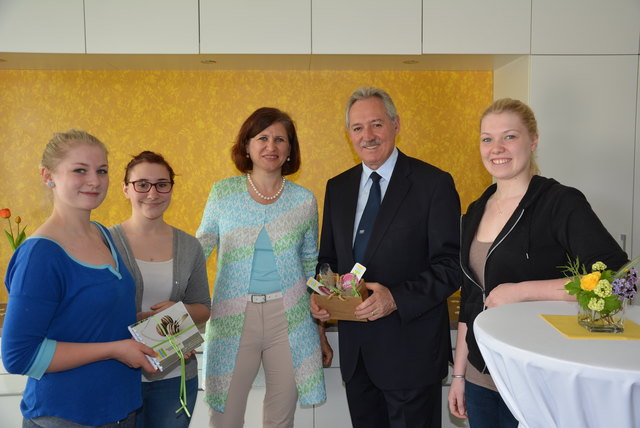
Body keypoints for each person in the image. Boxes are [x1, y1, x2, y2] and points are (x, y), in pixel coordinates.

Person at [447, 98, 628, 427]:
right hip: (480, 376)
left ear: (534, 140)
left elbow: (618, 280)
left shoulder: (560, 203)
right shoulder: (475, 210)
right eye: (487, 138)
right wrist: (458, 374)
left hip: (537, 374)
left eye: (510, 136)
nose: (496, 148)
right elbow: (472, 298)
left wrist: (523, 291)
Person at [311, 87, 462, 428]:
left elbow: (451, 266)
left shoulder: (433, 183)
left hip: (412, 352)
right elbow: (329, 262)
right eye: (358, 128)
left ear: (396, 124)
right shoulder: (338, 187)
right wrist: (322, 298)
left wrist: (395, 298)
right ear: (349, 134)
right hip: (358, 355)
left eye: (376, 124)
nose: (368, 136)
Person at [1, 129, 157, 427]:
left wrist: (159, 335)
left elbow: (89, 320)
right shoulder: (41, 254)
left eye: (102, 171)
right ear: (48, 176)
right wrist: (114, 349)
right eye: (79, 170)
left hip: (121, 408)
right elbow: (20, 356)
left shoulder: (102, 234)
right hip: (68, 414)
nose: (95, 181)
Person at [196, 107, 329, 428]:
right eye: (263, 137)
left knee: (281, 417)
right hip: (231, 317)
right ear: (247, 145)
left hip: (292, 320)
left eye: (280, 139)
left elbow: (312, 265)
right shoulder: (223, 193)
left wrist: (320, 330)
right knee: (224, 414)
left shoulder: (304, 200)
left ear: (290, 150)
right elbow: (198, 252)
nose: (271, 146)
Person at [109, 151, 211, 428]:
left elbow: (203, 307)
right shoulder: (104, 244)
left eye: (161, 184)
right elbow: (91, 311)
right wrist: (137, 317)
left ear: (170, 188)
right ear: (125, 189)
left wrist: (182, 311)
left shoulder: (190, 246)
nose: (152, 193)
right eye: (142, 184)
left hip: (175, 377)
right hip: (119, 376)